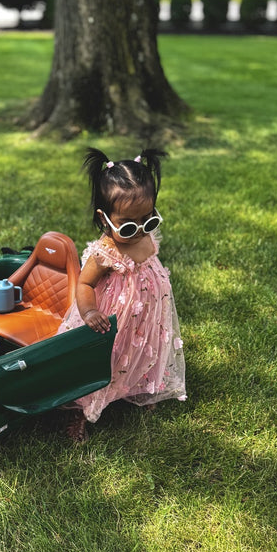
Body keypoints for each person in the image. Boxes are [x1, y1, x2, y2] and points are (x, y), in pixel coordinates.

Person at [58, 147, 186, 442]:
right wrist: (90, 312)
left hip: (146, 316)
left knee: (143, 350)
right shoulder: (105, 251)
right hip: (111, 318)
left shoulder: (144, 234)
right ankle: (78, 411)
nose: (141, 230)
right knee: (108, 358)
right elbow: (84, 285)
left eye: (149, 219)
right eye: (129, 225)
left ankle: (138, 387)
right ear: (105, 219)